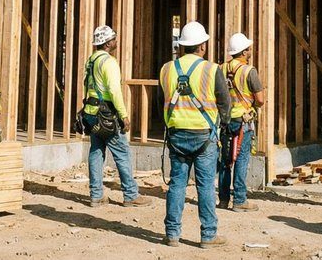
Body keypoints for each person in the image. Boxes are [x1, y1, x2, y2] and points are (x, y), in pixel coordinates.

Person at [160, 21, 230, 248]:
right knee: (206, 186)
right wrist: (225, 124)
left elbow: (167, 96)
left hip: (177, 134)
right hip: (204, 137)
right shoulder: (212, 69)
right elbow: (224, 103)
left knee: (177, 185)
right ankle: (208, 236)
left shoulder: (167, 69)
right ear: (202, 46)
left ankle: (172, 234)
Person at [83, 25, 154, 208]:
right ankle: (131, 194)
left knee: (96, 152)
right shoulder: (109, 62)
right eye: (113, 38)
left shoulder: (91, 60)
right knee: (122, 153)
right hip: (106, 113)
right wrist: (124, 115)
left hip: (91, 112)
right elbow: (114, 91)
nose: (116, 40)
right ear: (107, 43)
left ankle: (96, 195)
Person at [218, 32, 266, 211]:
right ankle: (239, 200)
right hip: (242, 122)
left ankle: (223, 200)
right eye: (248, 48)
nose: (250, 50)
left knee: (225, 161)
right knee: (241, 160)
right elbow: (260, 100)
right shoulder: (249, 71)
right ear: (244, 51)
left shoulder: (221, 68)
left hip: (225, 120)